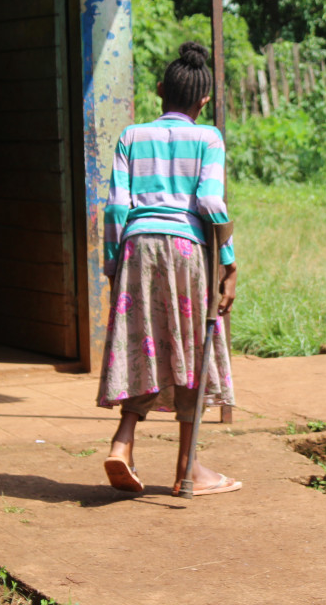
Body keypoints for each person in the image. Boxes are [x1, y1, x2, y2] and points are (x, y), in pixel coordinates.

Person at [96, 41, 241, 497]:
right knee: (190, 350)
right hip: (185, 250)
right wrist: (229, 262)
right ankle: (187, 470)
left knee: (145, 343)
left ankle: (123, 443)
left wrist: (112, 262)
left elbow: (117, 206)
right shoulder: (209, 138)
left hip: (138, 247)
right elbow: (210, 202)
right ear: (203, 102)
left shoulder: (131, 136)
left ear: (160, 91)